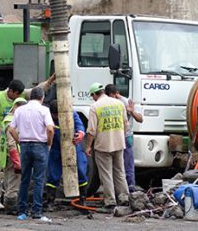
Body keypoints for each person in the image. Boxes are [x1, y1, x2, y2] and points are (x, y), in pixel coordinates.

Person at [0, 75, 54, 211]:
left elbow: (36, 90)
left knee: (14, 169)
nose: (17, 97)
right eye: (15, 95)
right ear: (10, 91)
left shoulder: (20, 94)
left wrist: (50, 81)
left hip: (13, 136)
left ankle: (11, 197)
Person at [7, 87, 54, 221]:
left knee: (25, 179)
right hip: (40, 146)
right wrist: (48, 143)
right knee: (39, 180)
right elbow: (50, 129)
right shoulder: (44, 110)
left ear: (30, 97)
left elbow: (11, 129)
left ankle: (22, 212)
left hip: (25, 146)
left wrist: (19, 141)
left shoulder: (20, 110)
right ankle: (37, 212)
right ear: (42, 97)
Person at [84, 82, 129, 212]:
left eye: (92, 95)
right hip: (119, 143)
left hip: (103, 146)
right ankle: (124, 198)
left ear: (94, 94)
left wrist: (88, 146)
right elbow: (125, 124)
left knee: (106, 174)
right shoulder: (119, 104)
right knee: (120, 172)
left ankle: (110, 201)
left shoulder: (95, 107)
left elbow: (91, 130)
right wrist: (121, 137)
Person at [44, 99, 89, 211]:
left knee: (81, 170)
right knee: (53, 174)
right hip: (55, 148)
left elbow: (80, 126)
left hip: (73, 146)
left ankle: (83, 199)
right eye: (54, 115)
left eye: (57, 114)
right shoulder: (47, 116)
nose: (56, 117)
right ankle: (50, 201)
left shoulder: (71, 113)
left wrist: (80, 133)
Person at [105, 84, 142, 192]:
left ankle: (130, 189)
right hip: (114, 136)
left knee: (128, 164)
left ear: (116, 94)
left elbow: (140, 119)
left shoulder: (126, 102)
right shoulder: (108, 103)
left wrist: (131, 111)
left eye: (112, 97)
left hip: (126, 137)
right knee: (116, 166)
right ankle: (118, 190)